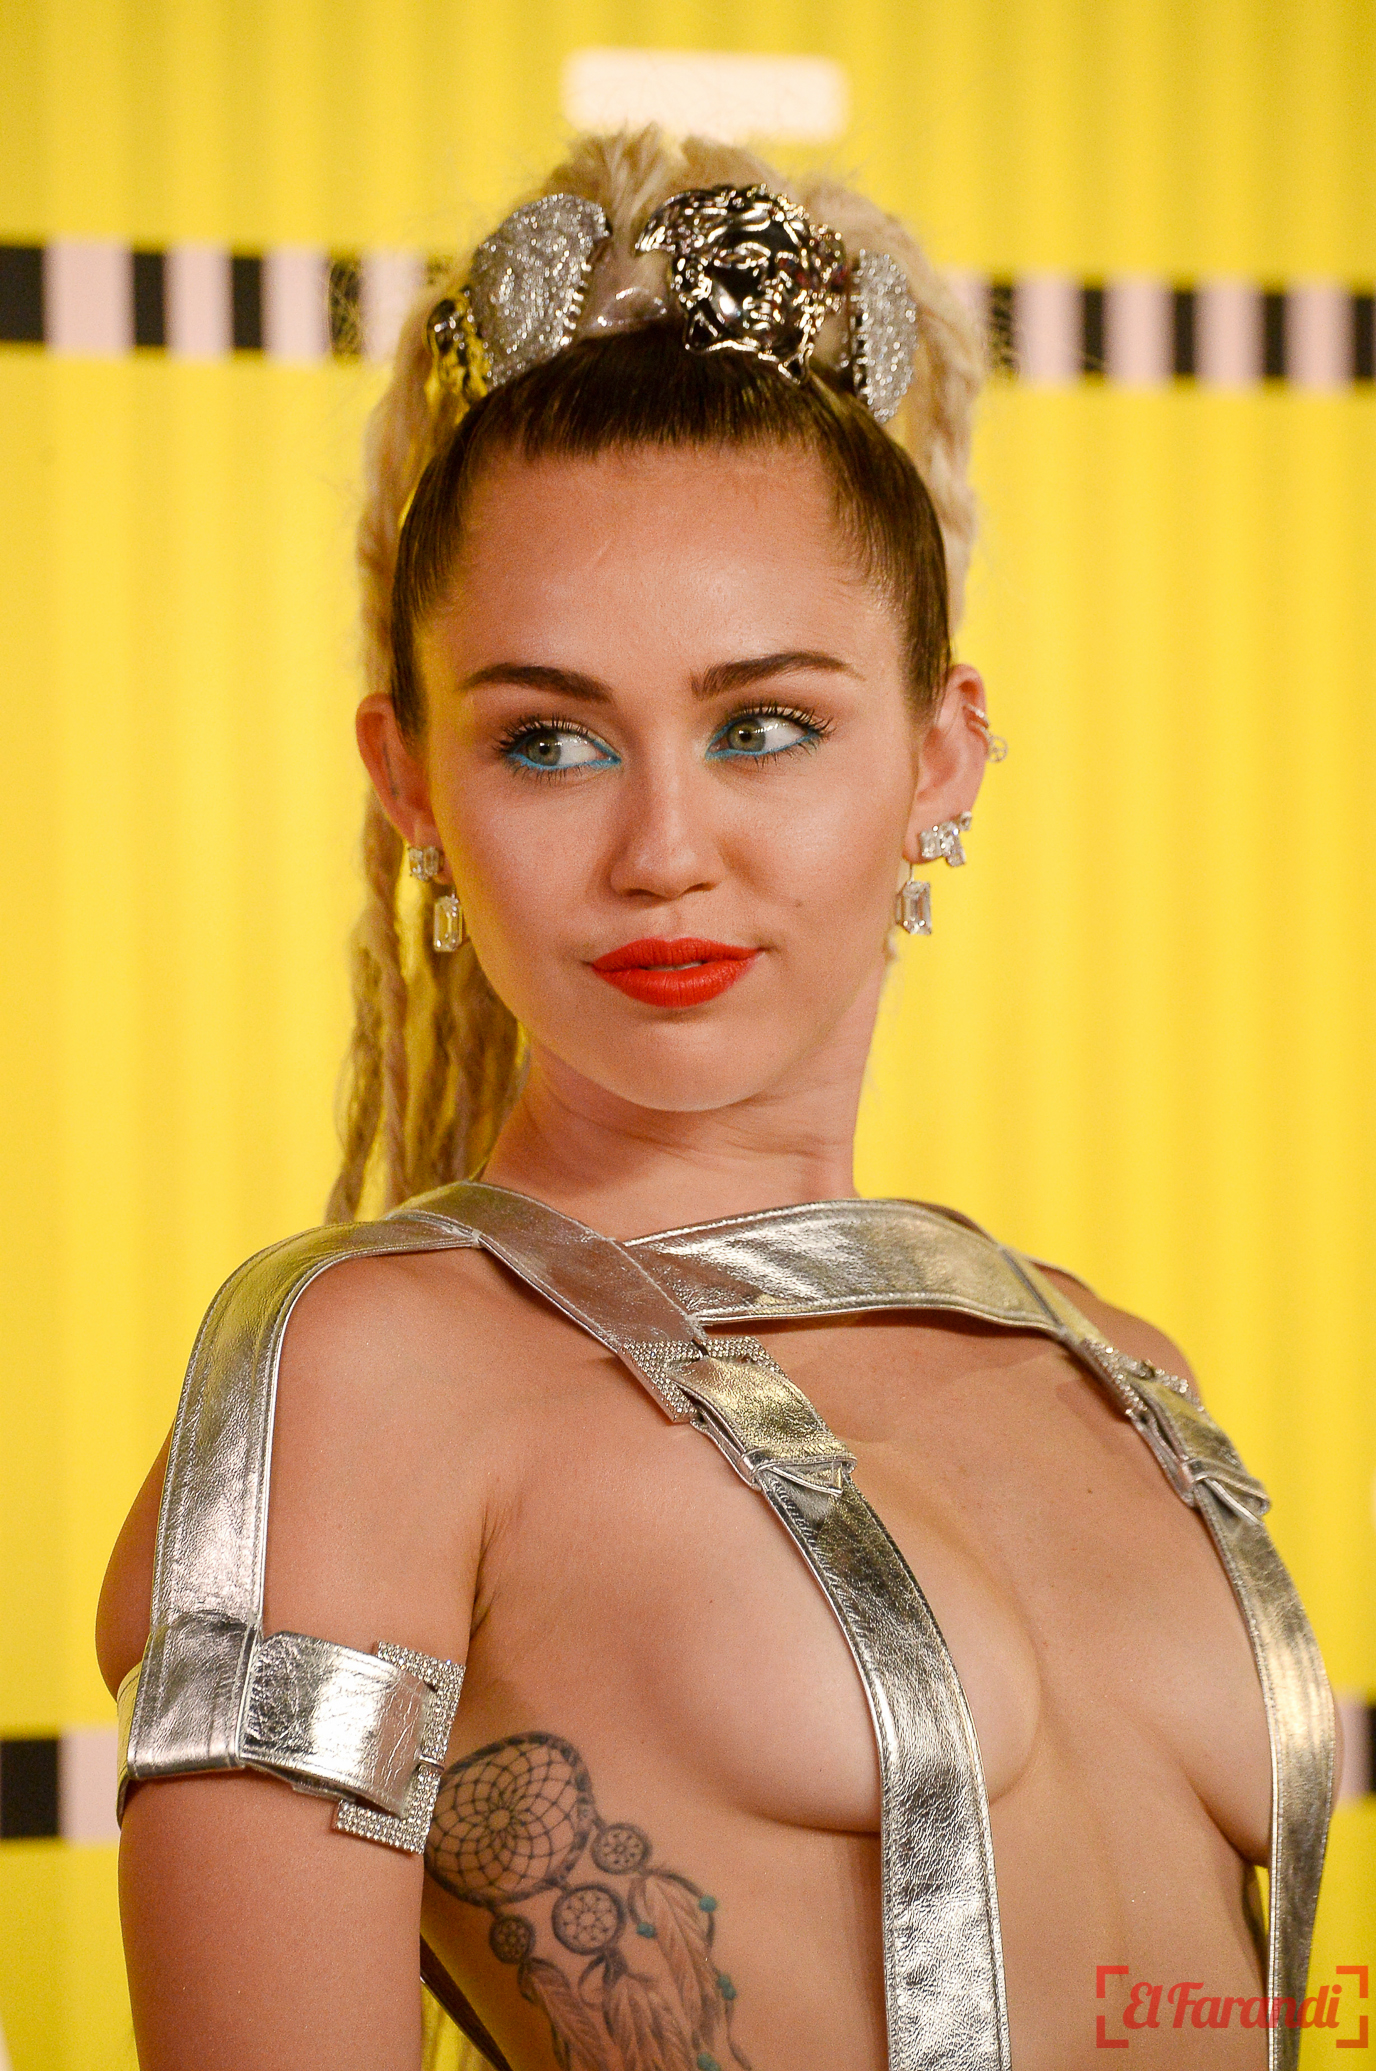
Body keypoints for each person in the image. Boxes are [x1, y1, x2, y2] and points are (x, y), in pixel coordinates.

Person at [97, 129, 1336, 2071]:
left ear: (940, 752)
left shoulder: (1111, 1366)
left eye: (764, 724)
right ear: (409, 782)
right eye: (549, 741)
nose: (664, 849)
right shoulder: (368, 1386)